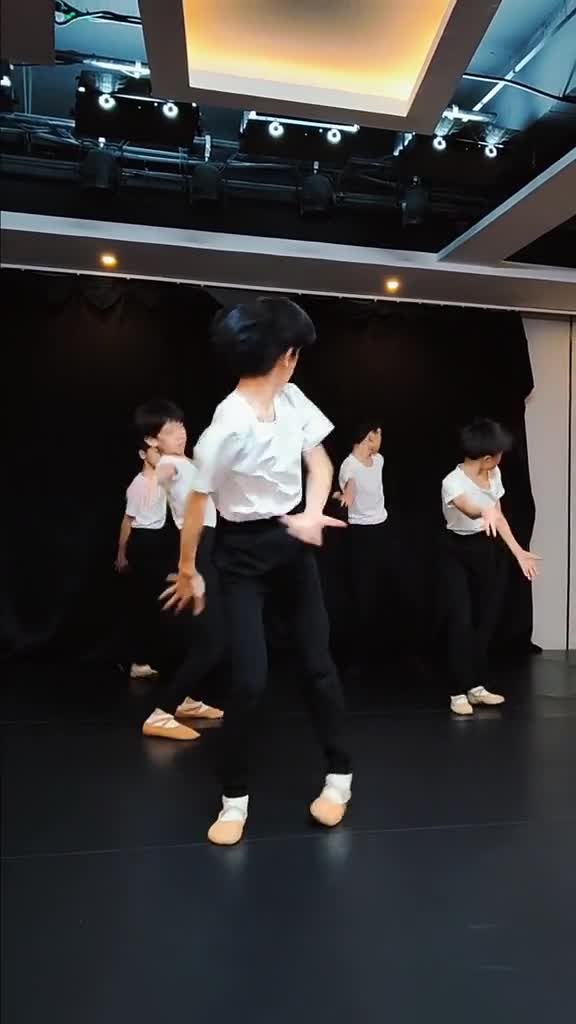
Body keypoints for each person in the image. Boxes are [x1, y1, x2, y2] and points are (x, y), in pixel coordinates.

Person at [162, 298, 352, 846]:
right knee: (248, 678)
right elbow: (197, 502)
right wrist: (188, 569)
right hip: (242, 552)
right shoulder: (225, 429)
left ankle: (339, 776)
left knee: (318, 665)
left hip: (291, 541)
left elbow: (320, 461)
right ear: (287, 356)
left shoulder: (292, 398)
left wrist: (312, 513)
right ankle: (234, 799)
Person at [132, 400, 224, 740]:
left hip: (208, 549)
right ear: (153, 440)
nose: (180, 433)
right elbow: (162, 476)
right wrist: (156, 478)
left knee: (205, 638)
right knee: (212, 643)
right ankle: (162, 713)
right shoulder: (170, 463)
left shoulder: (187, 462)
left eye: (181, 426)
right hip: (196, 553)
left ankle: (187, 701)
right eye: (170, 431)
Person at [441, 418, 540, 716]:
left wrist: (519, 552)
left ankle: (476, 686)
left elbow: (499, 517)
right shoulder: (452, 481)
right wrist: (483, 510)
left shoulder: (494, 474)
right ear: (486, 457)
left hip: (486, 548)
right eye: (498, 454)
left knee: (484, 621)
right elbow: (467, 507)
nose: (500, 459)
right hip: (456, 551)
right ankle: (457, 691)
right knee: (461, 621)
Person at [334, 423, 388, 660]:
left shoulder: (379, 460)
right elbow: (350, 489)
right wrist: (343, 496)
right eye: (379, 434)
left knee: (381, 586)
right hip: (360, 533)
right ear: (370, 436)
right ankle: (360, 649)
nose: (381, 439)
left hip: (381, 528)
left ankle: (378, 640)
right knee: (362, 589)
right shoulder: (349, 466)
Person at [115, 442, 166, 680]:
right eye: (156, 451)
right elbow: (128, 520)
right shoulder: (139, 484)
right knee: (143, 604)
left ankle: (147, 657)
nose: (160, 455)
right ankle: (136, 660)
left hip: (159, 540)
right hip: (144, 541)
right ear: (143, 454)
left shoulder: (164, 479)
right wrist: (122, 553)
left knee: (155, 603)